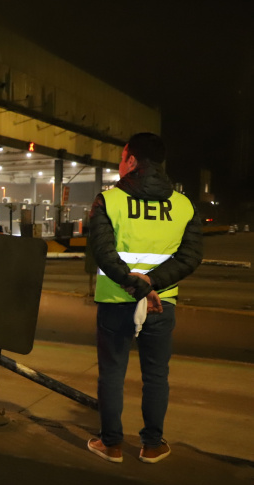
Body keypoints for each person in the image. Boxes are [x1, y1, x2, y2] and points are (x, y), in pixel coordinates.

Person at [88, 132, 202, 464]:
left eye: (122, 158)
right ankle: (152, 445)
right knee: (155, 375)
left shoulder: (108, 200)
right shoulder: (183, 205)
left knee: (111, 372)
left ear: (133, 161)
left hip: (115, 300)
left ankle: (111, 445)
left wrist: (136, 284)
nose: (120, 164)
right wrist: (151, 285)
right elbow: (190, 257)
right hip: (161, 303)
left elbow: (104, 255)